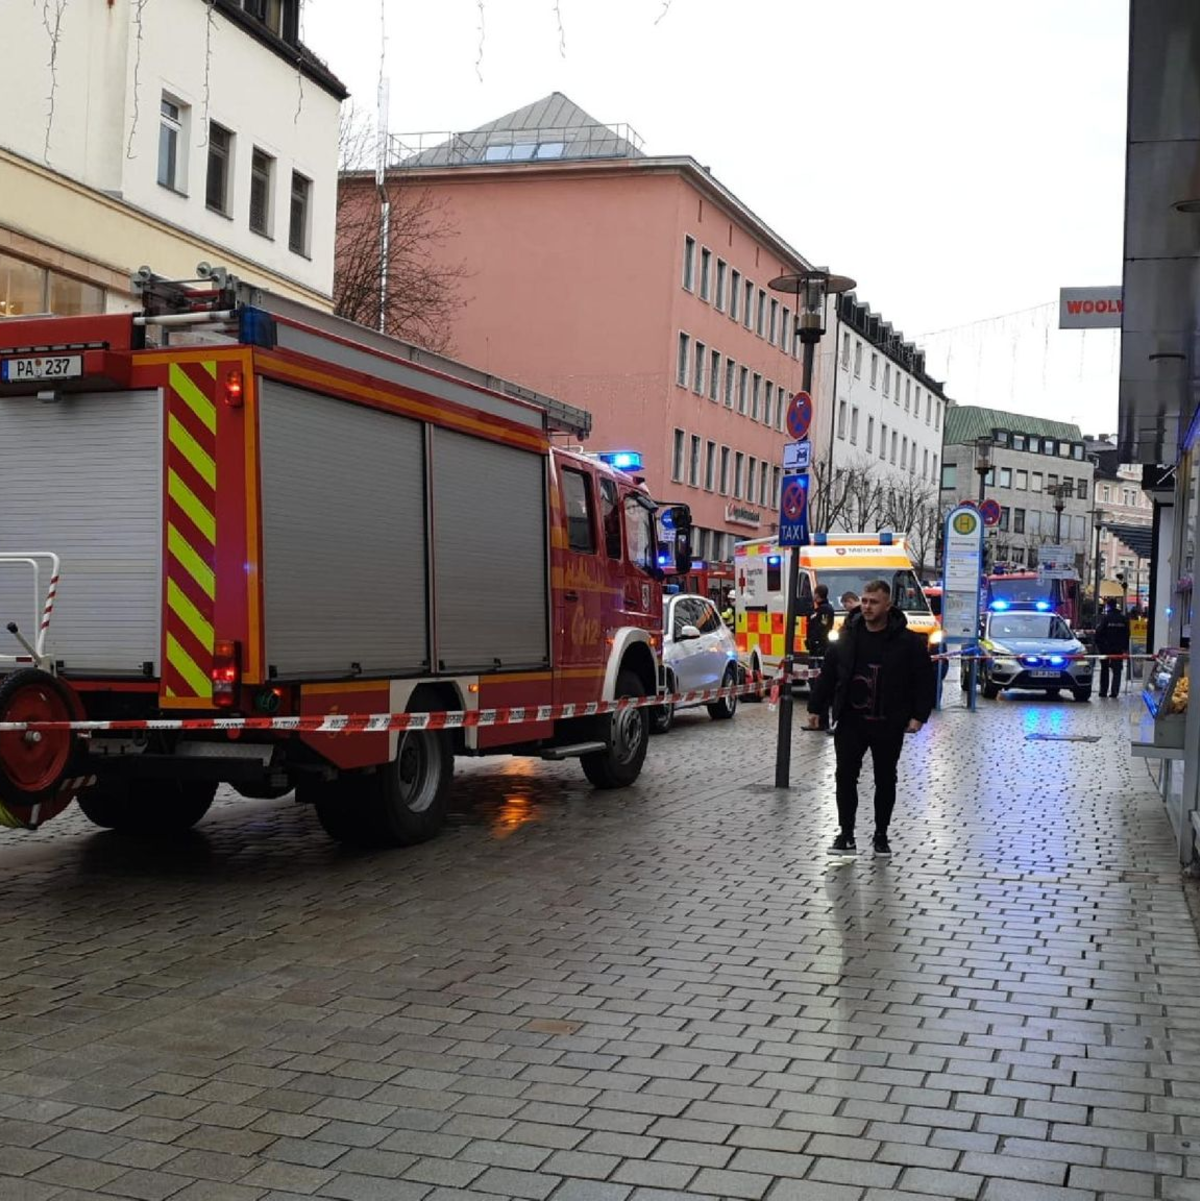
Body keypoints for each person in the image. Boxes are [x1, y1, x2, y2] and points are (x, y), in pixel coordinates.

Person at [806, 578, 936, 856]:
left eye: (873, 602)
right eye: (864, 601)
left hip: (889, 721)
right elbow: (829, 674)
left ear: (888, 605)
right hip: (851, 721)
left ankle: (881, 835)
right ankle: (846, 834)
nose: (866, 607)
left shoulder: (908, 641)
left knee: (885, 779)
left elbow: (924, 680)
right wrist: (815, 708)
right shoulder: (847, 636)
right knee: (845, 777)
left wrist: (918, 716)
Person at [805, 584, 837, 730]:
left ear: (818, 595)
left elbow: (822, 628)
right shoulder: (818, 609)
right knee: (815, 684)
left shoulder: (825, 610)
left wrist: (816, 643)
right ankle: (820, 720)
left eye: (814, 594)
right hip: (815, 649)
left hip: (819, 651)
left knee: (818, 685)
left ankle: (822, 722)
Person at [1094, 599, 1130, 697]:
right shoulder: (1123, 619)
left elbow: (1098, 633)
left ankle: (1103, 691)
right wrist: (1125, 648)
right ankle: (1115, 692)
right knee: (1117, 671)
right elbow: (1127, 635)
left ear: (1108, 606)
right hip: (1118, 649)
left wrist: (1100, 646)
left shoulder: (1106, 618)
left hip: (1105, 649)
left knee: (1104, 669)